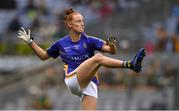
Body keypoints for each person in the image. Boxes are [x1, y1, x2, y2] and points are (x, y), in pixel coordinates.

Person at [17, 8, 145, 110]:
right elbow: (44, 56)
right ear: (70, 24)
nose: (82, 23)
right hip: (72, 79)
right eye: (78, 21)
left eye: (83, 21)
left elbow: (111, 51)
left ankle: (132, 65)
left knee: (99, 58)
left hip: (90, 83)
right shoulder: (61, 43)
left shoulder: (90, 40)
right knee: (98, 57)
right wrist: (30, 42)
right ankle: (131, 64)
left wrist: (112, 44)